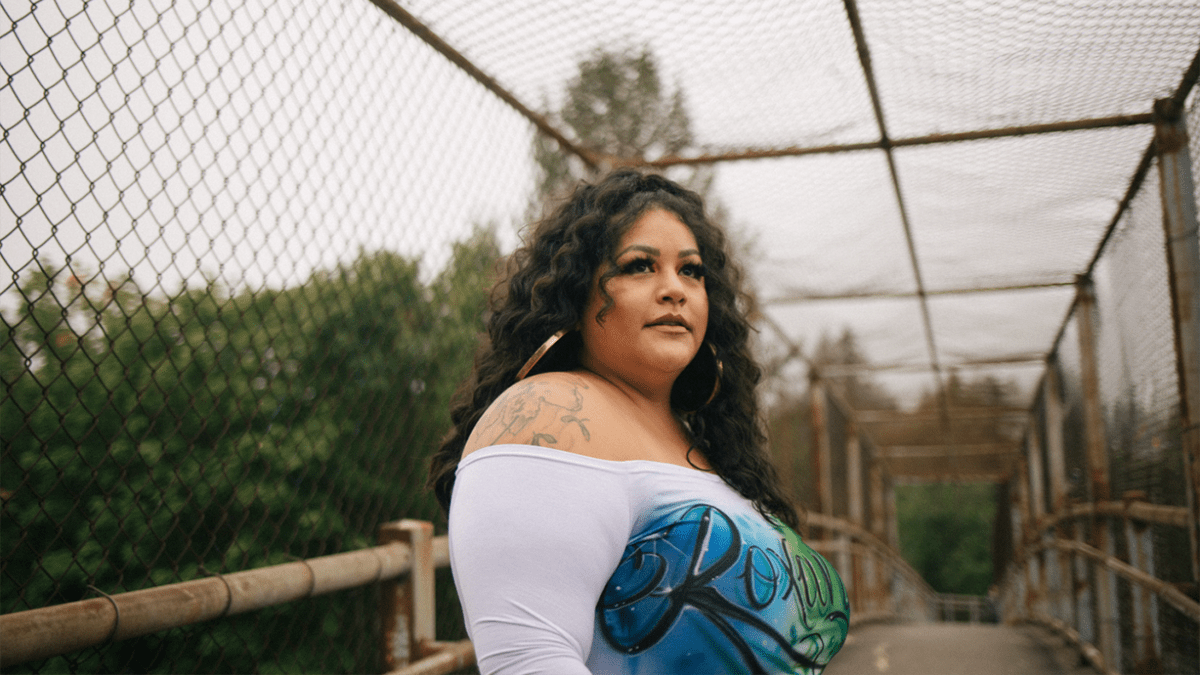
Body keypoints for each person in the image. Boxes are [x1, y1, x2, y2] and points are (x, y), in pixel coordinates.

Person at [428, 169, 849, 674]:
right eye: (639, 266)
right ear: (575, 294)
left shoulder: (702, 444)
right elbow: (530, 661)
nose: (674, 289)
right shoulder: (546, 415)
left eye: (691, 271)